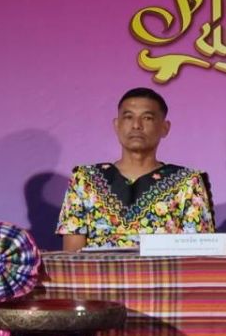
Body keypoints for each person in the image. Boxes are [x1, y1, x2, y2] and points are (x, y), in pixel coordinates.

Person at [57, 88, 215, 251]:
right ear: (117, 125)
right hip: (98, 268)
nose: (136, 125)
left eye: (147, 118)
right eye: (128, 117)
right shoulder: (85, 179)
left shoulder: (188, 182)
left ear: (164, 128)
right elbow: (72, 256)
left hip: (165, 268)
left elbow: (199, 253)